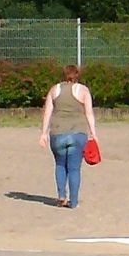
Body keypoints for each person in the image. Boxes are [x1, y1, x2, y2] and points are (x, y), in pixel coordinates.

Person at [38, 65, 99, 208]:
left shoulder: (54, 90)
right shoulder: (83, 90)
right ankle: (74, 201)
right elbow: (89, 113)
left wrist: (43, 133)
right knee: (74, 169)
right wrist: (93, 133)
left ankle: (61, 196)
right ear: (77, 75)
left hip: (58, 133)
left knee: (60, 165)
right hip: (77, 133)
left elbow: (47, 112)